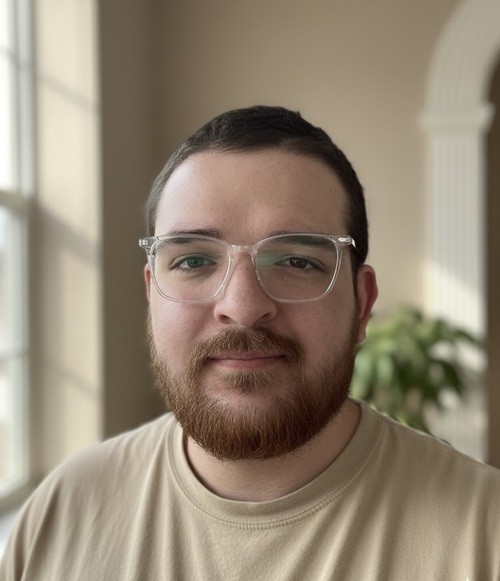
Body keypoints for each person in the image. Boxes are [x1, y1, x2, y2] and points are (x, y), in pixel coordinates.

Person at [1, 106, 499, 580]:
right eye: (193, 261)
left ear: (362, 304)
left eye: (297, 261)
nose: (241, 307)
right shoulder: (59, 516)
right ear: (152, 294)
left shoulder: (485, 536)